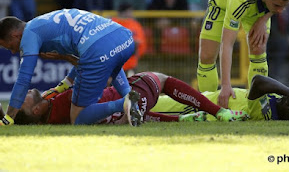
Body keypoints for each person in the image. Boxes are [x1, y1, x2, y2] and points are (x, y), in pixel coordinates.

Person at [0, 9, 142, 126]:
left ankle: (123, 103)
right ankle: (130, 100)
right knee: (109, 61)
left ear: (15, 35)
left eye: (10, 47)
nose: (13, 52)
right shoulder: (42, 23)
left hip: (99, 49)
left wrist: (9, 118)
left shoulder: (28, 36)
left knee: (78, 118)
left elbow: (23, 79)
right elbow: (85, 56)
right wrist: (66, 81)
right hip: (124, 38)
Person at [197, 0, 289, 109]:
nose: (281, 11)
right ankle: (207, 106)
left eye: (284, 6)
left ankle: (258, 106)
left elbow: (278, 4)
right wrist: (226, 86)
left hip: (259, 5)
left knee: (258, 49)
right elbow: (227, 44)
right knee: (207, 56)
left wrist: (264, 19)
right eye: (277, 6)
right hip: (224, 1)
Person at [11, 71, 249, 125]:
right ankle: (220, 112)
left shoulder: (52, 114)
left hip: (122, 115)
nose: (23, 94)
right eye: (22, 101)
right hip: (134, 92)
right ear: (36, 111)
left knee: (136, 112)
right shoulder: (61, 101)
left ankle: (181, 120)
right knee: (162, 80)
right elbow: (88, 71)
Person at [153, 74, 289, 121]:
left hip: (190, 107)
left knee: (144, 104)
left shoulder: (266, 113)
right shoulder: (276, 98)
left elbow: (259, 81)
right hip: (199, 98)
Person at [112, 4, 147, 76]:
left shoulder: (134, 24)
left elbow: (141, 43)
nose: (131, 14)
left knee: (130, 84)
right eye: (129, 12)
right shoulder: (112, 23)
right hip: (114, 64)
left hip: (131, 63)